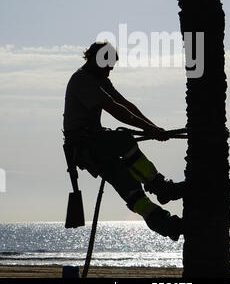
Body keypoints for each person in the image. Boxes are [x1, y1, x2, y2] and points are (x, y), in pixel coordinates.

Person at [63, 42, 184, 241]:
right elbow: (116, 110)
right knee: (123, 139)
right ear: (95, 60)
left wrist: (152, 127)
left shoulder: (99, 79)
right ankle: (161, 188)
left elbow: (124, 104)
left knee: (128, 186)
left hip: (95, 145)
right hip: (86, 145)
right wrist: (150, 129)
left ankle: (166, 223)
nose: (109, 72)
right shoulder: (82, 80)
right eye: (108, 66)